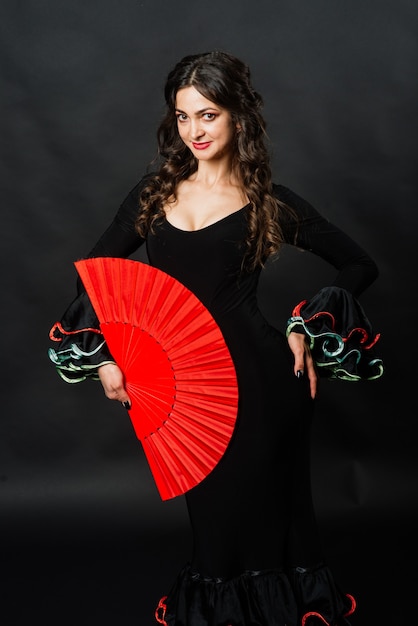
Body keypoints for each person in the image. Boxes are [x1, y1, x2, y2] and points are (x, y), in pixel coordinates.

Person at [49, 50, 383, 625]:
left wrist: (305, 324)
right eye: (182, 117)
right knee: (215, 522)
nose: (194, 130)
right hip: (188, 390)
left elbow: (358, 264)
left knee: (269, 518)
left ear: (237, 117)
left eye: (207, 114)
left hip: (263, 382)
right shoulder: (153, 196)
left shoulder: (268, 204)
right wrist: (104, 353)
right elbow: (96, 275)